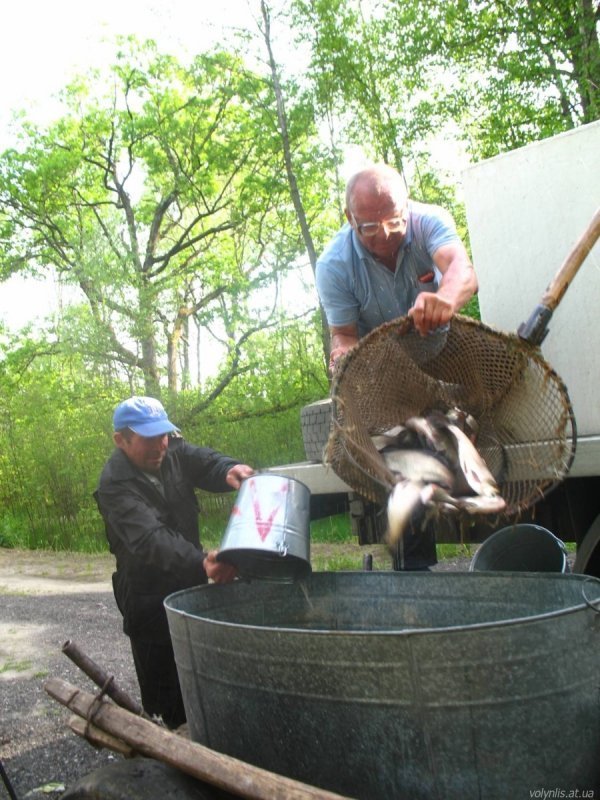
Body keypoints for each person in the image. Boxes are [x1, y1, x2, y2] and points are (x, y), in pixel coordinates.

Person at [315, 164, 478, 570]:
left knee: (465, 434)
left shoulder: (428, 222)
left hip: (446, 357)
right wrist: (342, 356)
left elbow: (462, 270)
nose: (385, 234)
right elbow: (344, 335)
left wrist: (445, 298)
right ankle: (414, 577)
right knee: (403, 458)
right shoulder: (334, 265)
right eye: (370, 226)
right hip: (385, 375)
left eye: (395, 220)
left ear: (407, 206)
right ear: (350, 218)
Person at [94, 396, 254, 728]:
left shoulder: (170, 450)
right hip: (148, 602)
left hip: (191, 587)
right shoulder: (113, 485)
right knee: (169, 695)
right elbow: (150, 539)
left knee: (204, 678)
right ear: (121, 440)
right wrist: (202, 562)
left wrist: (228, 468)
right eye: (148, 438)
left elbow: (203, 461)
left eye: (163, 435)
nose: (160, 445)